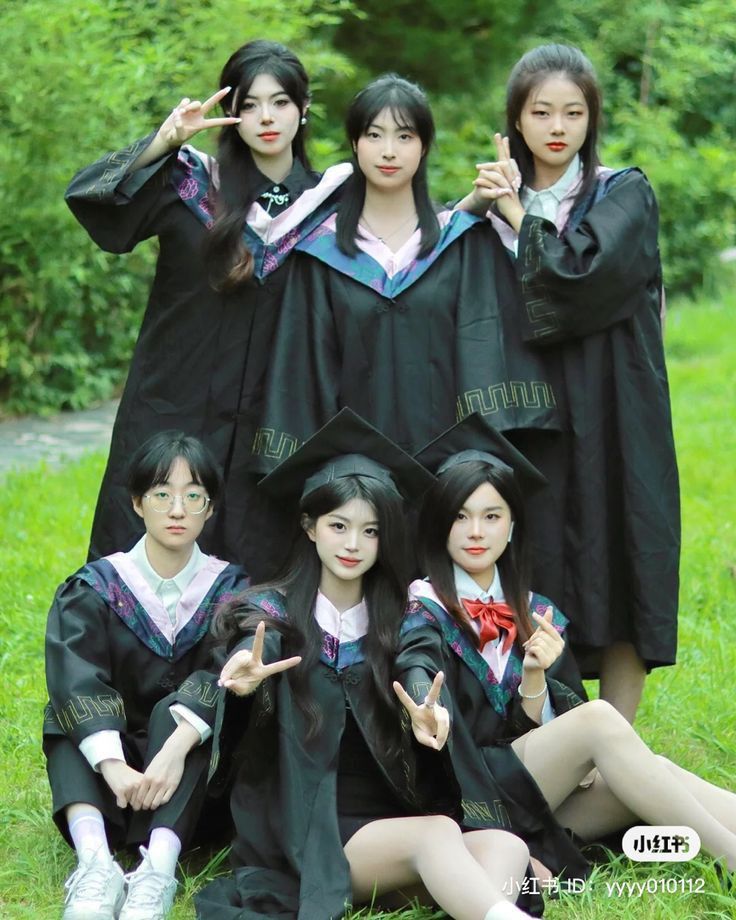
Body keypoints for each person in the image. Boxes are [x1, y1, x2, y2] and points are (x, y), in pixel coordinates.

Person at [196, 409, 534, 920]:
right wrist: (243, 683)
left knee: (506, 849)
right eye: (339, 526)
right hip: (316, 834)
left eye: (370, 531)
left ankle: (471, 904)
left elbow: (417, 662)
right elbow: (249, 651)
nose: (353, 545)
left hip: (393, 824)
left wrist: (426, 709)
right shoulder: (272, 614)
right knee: (439, 833)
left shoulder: (401, 617)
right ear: (310, 527)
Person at [65, 39, 351, 579]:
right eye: (248, 104)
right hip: (174, 403)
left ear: (304, 109)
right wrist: (162, 143)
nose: (265, 117)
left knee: (255, 554)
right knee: (149, 542)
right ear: (228, 114)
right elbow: (92, 201)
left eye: (281, 102)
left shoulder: (333, 206)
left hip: (272, 420)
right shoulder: (187, 183)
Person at [455, 43, 679, 721]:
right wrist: (476, 204)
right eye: (541, 111)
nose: (558, 126)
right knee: (542, 557)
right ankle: (554, 735)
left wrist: (518, 213)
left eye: (574, 112)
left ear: (592, 119)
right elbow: (426, 274)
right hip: (533, 418)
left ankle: (619, 745)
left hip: (616, 410)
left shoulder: (623, 193)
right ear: (516, 122)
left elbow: (580, 280)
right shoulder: (489, 206)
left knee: (623, 552)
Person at [410, 416, 736, 875]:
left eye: (491, 516)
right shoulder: (421, 612)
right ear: (440, 525)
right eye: (460, 517)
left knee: (653, 768)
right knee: (601, 719)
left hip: (535, 800)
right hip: (469, 803)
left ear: (512, 525)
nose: (476, 532)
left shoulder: (535, 612)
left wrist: (535, 682)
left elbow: (571, 755)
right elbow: (416, 668)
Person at [249, 75, 564, 517]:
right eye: (374, 135)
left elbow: (485, 342)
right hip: (354, 480)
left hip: (448, 472)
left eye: (405, 135)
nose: (389, 151)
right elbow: (303, 370)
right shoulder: (320, 255)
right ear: (355, 145)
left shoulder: (461, 243)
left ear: (424, 146)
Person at [43, 431, 249, 920]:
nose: (177, 509)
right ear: (138, 503)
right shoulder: (96, 588)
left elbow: (225, 673)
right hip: (108, 776)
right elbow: (76, 675)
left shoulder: (231, 590)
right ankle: (95, 864)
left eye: (192, 495)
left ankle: (157, 868)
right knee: (64, 711)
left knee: (197, 710)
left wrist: (176, 749)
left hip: (187, 787)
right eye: (162, 494)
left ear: (210, 508)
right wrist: (113, 764)